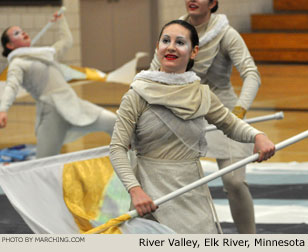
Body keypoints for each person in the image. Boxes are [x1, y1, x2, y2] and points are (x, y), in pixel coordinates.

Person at [110, 19, 275, 234]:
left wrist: (258, 135)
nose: (171, 47)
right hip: (150, 192)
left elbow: (230, 124)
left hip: (191, 190)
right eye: (165, 41)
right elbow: (117, 148)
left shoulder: (201, 94)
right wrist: (135, 190)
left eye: (180, 42)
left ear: (194, 51)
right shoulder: (137, 94)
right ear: (157, 48)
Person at [149, 0, 261, 234]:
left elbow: (251, 74)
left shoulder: (226, 34)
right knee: (165, 181)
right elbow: (152, 75)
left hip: (223, 112)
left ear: (212, 3)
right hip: (183, 114)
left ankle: (249, 241)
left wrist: (239, 110)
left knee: (234, 182)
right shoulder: (175, 32)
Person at [0, 12, 116, 158]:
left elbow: (67, 41)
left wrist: (61, 21)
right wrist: (3, 109)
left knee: (114, 122)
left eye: (22, 30)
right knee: (43, 161)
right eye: (17, 33)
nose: (22, 33)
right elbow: (11, 86)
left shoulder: (46, 54)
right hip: (52, 112)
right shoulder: (17, 63)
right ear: (10, 45)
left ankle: (132, 161)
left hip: (74, 105)